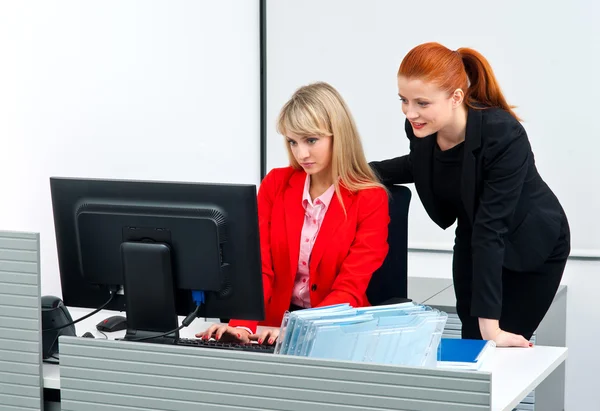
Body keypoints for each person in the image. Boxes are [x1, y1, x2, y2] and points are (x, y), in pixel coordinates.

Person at [370, 42, 570, 348]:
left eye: (422, 103)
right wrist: (355, 171)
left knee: (496, 348)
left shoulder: (503, 134)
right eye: (404, 100)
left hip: (530, 244)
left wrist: (492, 330)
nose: (411, 112)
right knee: (472, 345)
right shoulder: (422, 128)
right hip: (476, 238)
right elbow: (423, 165)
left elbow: (493, 227)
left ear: (456, 97)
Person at [198, 82, 390, 345]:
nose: (302, 153)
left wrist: (298, 330)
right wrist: (242, 325)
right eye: (292, 141)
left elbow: (350, 289)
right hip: (271, 329)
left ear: (339, 135)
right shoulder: (276, 185)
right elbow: (259, 269)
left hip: (336, 332)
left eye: (311, 140)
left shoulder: (370, 198)